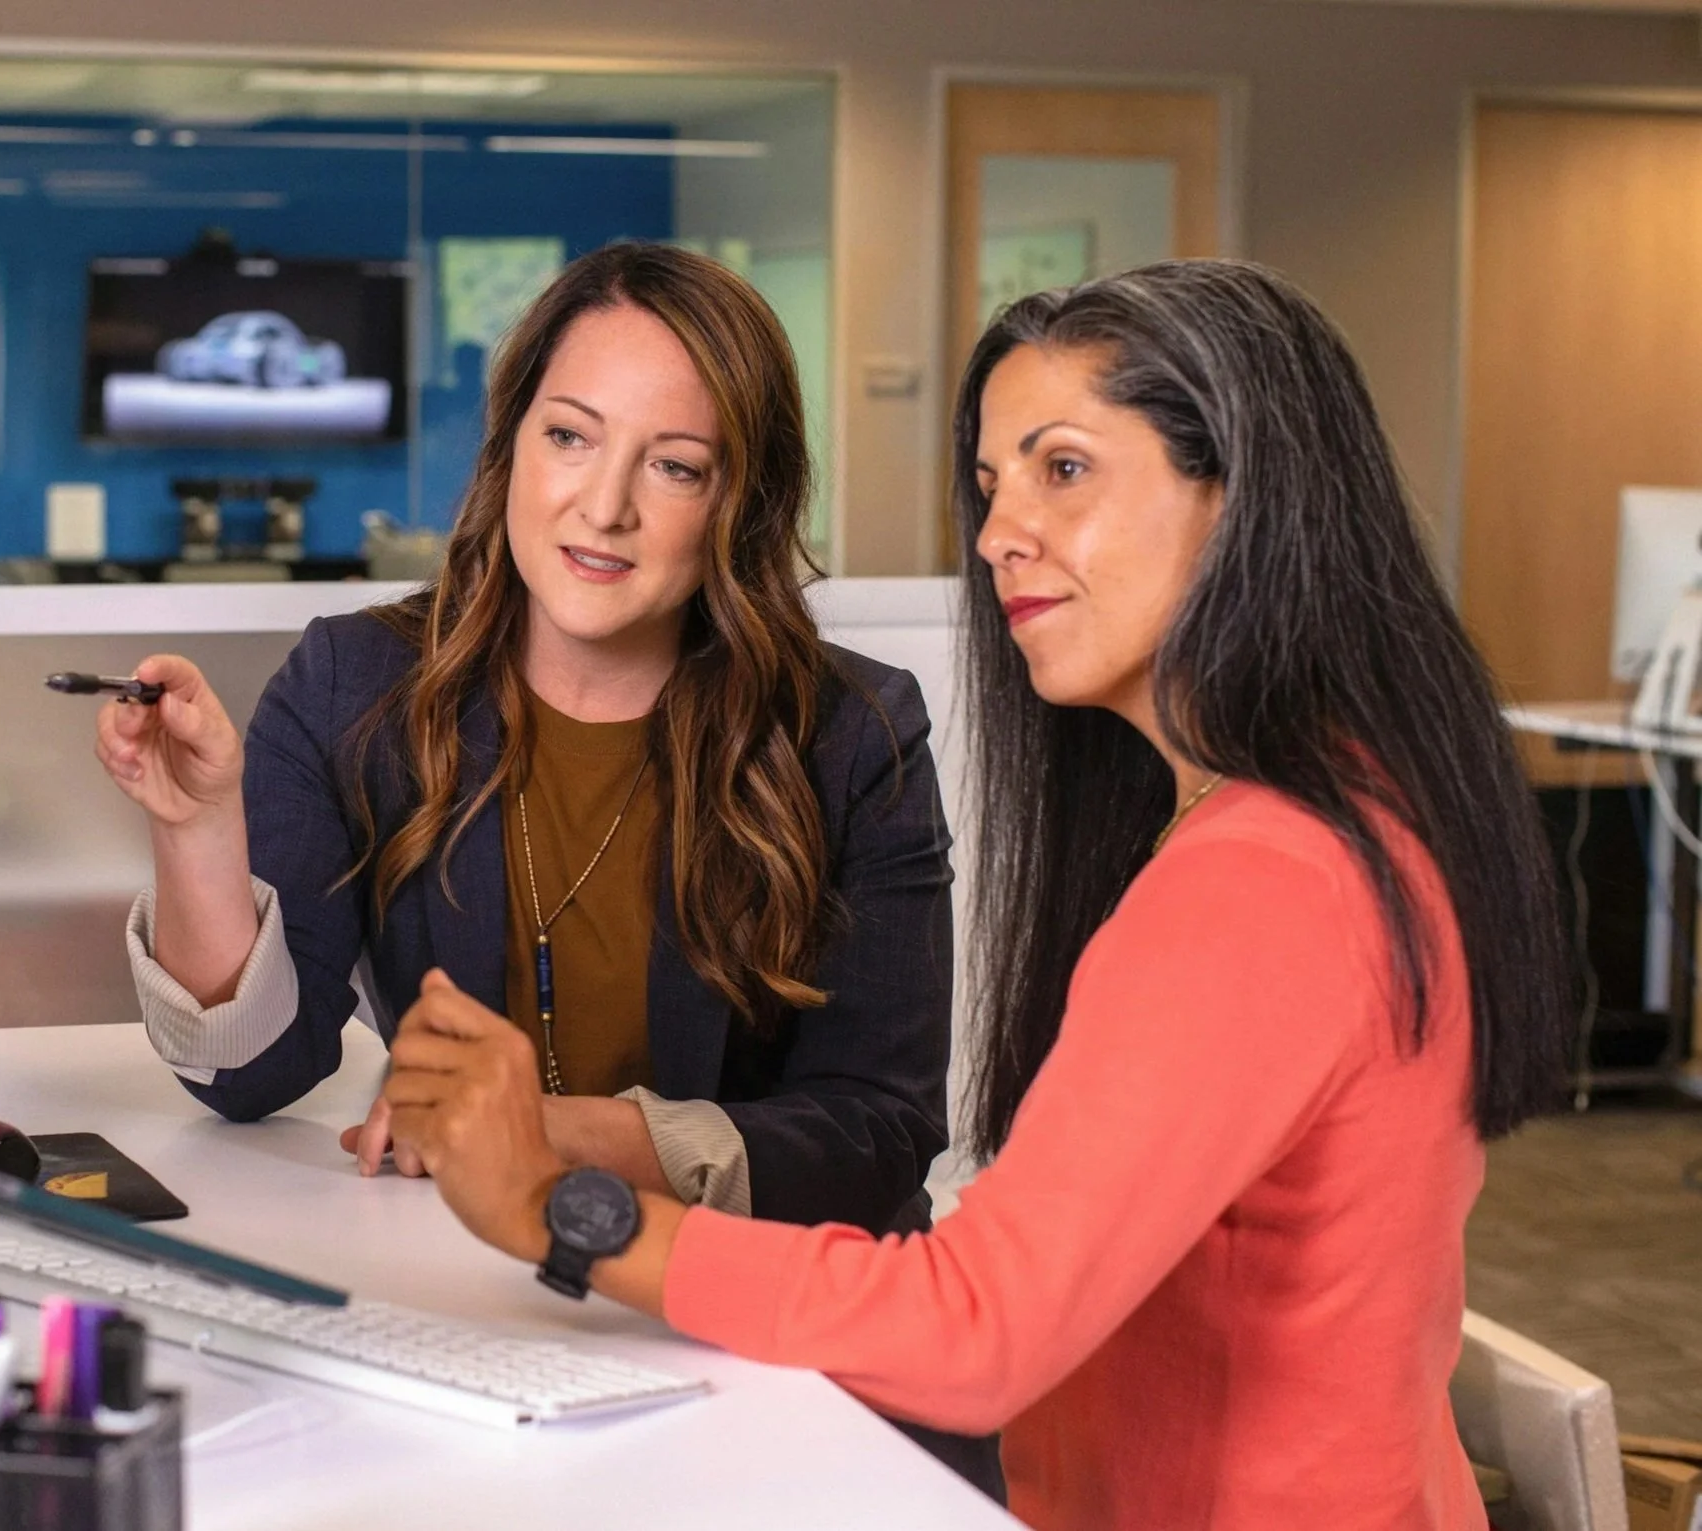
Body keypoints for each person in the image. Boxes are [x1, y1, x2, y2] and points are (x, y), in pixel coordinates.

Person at [377, 259, 1574, 1528]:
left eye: (1063, 469)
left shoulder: (1263, 881)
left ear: (1242, 498)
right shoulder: (1348, 808)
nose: (1000, 531)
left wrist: (557, 1211)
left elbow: (975, 1330)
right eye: (993, 485)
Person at [93, 240, 997, 1488]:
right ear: (510, 442)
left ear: (739, 501)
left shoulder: (851, 730)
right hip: (486, 1326)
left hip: (770, 1349)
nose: (603, 506)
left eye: (672, 466)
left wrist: (558, 1143)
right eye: (570, 437)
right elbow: (252, 1073)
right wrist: (195, 826)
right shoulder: (355, 685)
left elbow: (879, 1131)